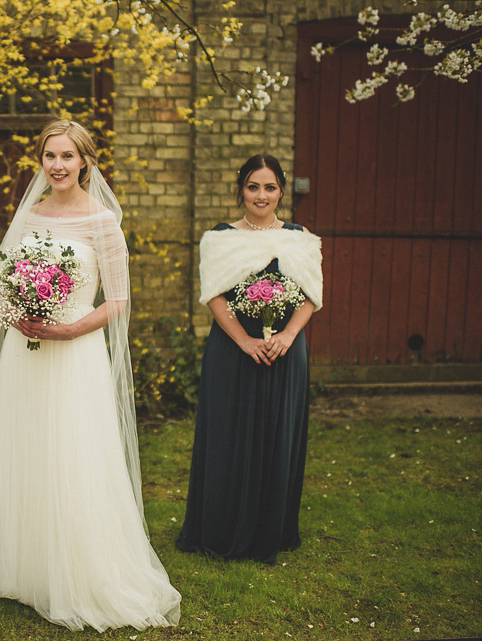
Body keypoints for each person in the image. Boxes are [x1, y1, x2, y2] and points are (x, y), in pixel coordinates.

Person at [0, 120, 181, 631]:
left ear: (86, 162)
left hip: (75, 353)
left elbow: (118, 300)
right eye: (50, 156)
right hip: (25, 353)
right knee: (26, 449)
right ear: (41, 162)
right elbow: (2, 285)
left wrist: (70, 331)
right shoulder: (29, 215)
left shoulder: (103, 223)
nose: (58, 165)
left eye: (68, 156)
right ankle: (25, 566)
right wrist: (17, 313)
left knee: (72, 452)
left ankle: (79, 568)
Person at [176, 154, 324, 564]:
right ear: (241, 189)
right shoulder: (219, 238)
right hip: (232, 350)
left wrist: (289, 335)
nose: (262, 195)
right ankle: (221, 526)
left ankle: (269, 529)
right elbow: (214, 295)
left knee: (278, 434)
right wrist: (243, 340)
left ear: (281, 191)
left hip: (284, 353)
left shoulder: (300, 237)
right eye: (253, 186)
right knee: (228, 434)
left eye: (270, 187)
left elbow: (312, 293)